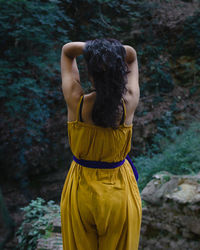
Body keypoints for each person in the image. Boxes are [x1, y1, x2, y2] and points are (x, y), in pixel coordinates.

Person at [60, 38, 142, 250]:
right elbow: (131, 55)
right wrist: (112, 52)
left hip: (81, 191)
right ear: (120, 73)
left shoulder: (76, 102)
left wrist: (94, 50)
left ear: (91, 74)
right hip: (119, 191)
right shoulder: (129, 102)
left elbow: (67, 51)